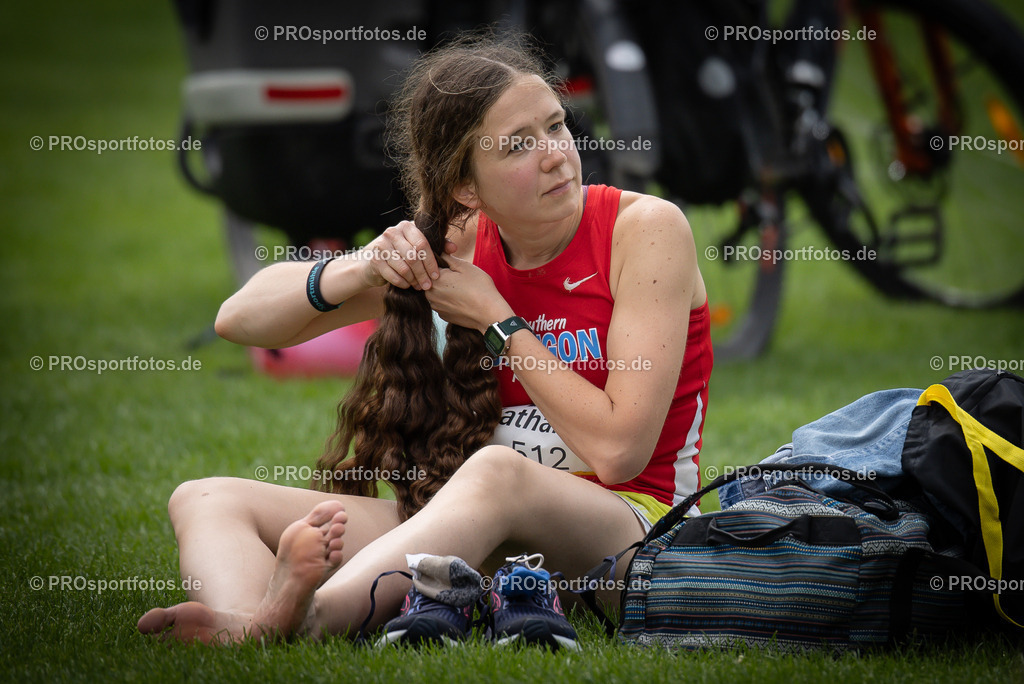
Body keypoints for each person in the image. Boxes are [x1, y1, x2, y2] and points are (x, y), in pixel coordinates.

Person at [137, 32, 712, 646]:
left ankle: (312, 619)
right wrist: (362, 267)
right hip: (478, 531)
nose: (555, 155)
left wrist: (496, 320)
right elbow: (239, 319)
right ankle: (247, 623)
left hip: (637, 539)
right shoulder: (463, 249)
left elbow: (620, 452)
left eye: (555, 126)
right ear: (467, 189)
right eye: (518, 145)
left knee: (497, 472)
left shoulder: (644, 229)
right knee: (206, 496)